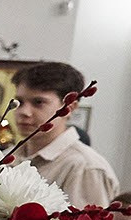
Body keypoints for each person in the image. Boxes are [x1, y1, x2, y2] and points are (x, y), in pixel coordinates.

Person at [9, 61, 118, 209]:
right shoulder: (8, 156)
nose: (24, 112)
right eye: (19, 102)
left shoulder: (84, 167)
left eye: (38, 102)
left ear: (69, 108)